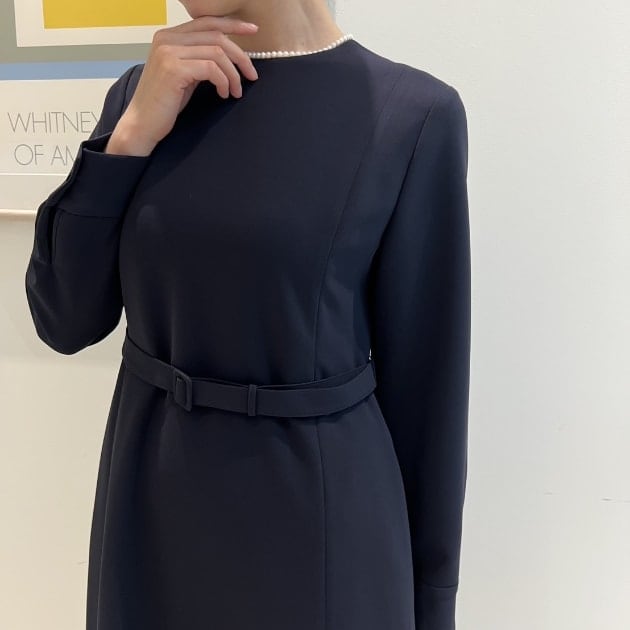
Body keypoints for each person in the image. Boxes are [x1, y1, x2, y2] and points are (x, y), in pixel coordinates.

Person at [24, 2, 471, 629]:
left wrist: (432, 601)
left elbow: (429, 389)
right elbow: (63, 319)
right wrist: (130, 138)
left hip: (314, 523)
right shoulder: (145, 92)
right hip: (149, 507)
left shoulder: (414, 114)